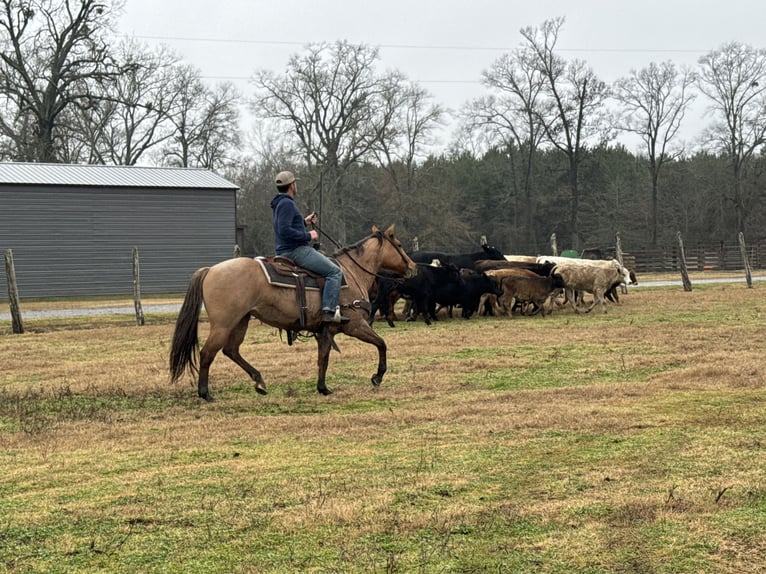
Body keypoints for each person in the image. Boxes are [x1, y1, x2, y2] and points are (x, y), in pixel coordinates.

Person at [270, 170, 349, 324]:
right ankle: (329, 311)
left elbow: (287, 225)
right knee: (334, 272)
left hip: (286, 249)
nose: (296, 185)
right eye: (295, 183)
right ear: (292, 186)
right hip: (296, 251)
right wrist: (309, 236)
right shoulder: (287, 203)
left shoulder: (280, 203)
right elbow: (284, 230)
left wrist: (304, 222)